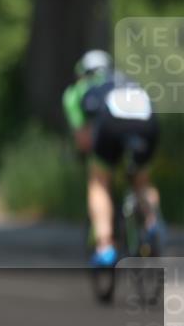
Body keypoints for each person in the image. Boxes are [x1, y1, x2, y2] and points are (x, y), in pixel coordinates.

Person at [62, 49, 162, 267]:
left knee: (99, 183)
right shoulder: (126, 80)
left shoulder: (78, 90)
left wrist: (86, 157)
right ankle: (152, 224)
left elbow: (84, 140)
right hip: (147, 123)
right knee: (141, 181)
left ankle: (105, 245)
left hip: (112, 125)